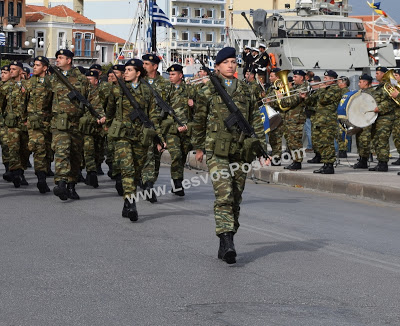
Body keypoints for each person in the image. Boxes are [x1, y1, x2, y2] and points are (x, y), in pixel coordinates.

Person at [192, 47, 267, 264]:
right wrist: (198, 147)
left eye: (234, 62)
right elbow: (199, 120)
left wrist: (261, 148)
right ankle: (226, 242)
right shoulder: (207, 91)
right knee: (224, 195)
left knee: (235, 196)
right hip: (217, 150)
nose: (231, 65)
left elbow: (255, 121)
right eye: (226, 62)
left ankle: (229, 236)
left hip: (240, 151)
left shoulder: (246, 89)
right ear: (217, 66)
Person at [106, 59, 163, 221]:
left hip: (141, 136)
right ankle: (132, 204)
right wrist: (109, 127)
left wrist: (159, 137)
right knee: (128, 169)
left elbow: (153, 116)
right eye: (125, 70)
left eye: (130, 70)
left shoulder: (147, 91)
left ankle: (126, 202)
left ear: (138, 73)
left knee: (137, 171)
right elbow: (109, 110)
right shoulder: (117, 90)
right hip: (123, 136)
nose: (126, 72)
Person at [50, 49, 105, 200]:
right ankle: (61, 183)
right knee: (62, 151)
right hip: (59, 124)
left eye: (60, 58)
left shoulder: (81, 79)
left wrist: (100, 115)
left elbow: (93, 99)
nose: (57, 60)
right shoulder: (53, 78)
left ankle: (71, 185)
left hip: (76, 123)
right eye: (57, 57)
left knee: (74, 155)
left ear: (69, 60)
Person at [140, 53, 171, 202]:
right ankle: (146, 183)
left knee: (154, 157)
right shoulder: (139, 82)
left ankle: (149, 183)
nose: (144, 66)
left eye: (147, 64)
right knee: (145, 155)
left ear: (155, 66)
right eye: (143, 64)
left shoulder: (165, 85)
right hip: (140, 124)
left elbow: (171, 107)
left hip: (158, 125)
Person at [302, 70, 342, 174]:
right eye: (324, 78)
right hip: (318, 119)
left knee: (327, 143)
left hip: (328, 120)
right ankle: (325, 163)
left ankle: (329, 165)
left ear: (332, 79)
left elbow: (324, 99)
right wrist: (305, 97)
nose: (324, 80)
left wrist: (322, 89)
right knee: (320, 143)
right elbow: (312, 101)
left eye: (326, 78)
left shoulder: (335, 89)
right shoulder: (324, 89)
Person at [24, 56, 54, 193]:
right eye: (34, 65)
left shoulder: (52, 82)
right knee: (39, 148)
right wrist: (24, 118)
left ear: (45, 68)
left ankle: (46, 170)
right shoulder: (28, 83)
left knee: (48, 149)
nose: (34, 67)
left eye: (37, 65)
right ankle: (41, 178)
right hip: (34, 122)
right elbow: (21, 102)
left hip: (49, 122)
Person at [165, 64, 194, 196]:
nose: (170, 77)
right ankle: (177, 182)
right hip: (172, 130)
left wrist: (194, 104)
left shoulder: (189, 90)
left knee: (182, 156)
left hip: (186, 129)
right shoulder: (166, 90)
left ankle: (178, 181)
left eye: (173, 74)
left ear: (180, 76)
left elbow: (198, 111)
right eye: (170, 75)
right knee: (176, 155)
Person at [0, 61, 30, 187]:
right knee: (13, 148)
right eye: (10, 69)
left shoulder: (28, 86)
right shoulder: (5, 87)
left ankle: (20, 171)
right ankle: (15, 172)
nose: (11, 71)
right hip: (11, 124)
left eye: (14, 69)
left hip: (25, 124)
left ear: (21, 71)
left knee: (25, 150)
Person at [369, 67, 397, 172]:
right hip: (379, 117)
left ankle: (383, 163)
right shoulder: (380, 86)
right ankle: (380, 162)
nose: (375, 75)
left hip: (386, 117)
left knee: (382, 140)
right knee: (376, 139)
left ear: (383, 74)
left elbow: (391, 101)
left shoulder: (390, 85)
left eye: (377, 73)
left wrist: (379, 108)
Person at [279, 70, 307, 170]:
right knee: (291, 141)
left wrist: (281, 98)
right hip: (291, 119)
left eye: (295, 77)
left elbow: (289, 101)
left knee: (296, 141)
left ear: (301, 78)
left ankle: (297, 162)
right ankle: (295, 161)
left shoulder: (303, 88)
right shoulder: (296, 88)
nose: (293, 79)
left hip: (296, 119)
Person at [353, 74, 374, 169]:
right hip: (360, 120)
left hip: (367, 120)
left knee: (365, 140)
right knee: (359, 139)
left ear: (366, 82)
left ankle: (364, 160)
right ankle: (362, 159)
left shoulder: (372, 93)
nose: (358, 84)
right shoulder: (361, 92)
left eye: (360, 82)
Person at [265, 68, 284, 165]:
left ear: (277, 77)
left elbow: (282, 100)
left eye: (272, 76)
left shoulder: (281, 87)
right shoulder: (271, 87)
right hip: (272, 115)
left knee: (277, 138)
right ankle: (275, 155)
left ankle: (277, 158)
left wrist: (270, 101)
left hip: (278, 115)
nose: (270, 78)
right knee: (272, 138)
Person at [0, 65, 12, 182]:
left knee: (6, 147)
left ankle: (9, 170)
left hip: (5, 123)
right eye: (1, 72)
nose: (2, 75)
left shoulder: (13, 87)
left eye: (5, 72)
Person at [336, 76, 350, 158]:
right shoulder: (342, 91)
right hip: (341, 114)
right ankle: (342, 149)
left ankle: (343, 150)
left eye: (339, 81)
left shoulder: (344, 91)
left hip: (342, 115)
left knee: (342, 133)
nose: (337, 83)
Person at [391, 68, 400, 166]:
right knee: (397, 138)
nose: (394, 78)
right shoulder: (395, 87)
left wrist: (398, 95)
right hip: (396, 117)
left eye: (396, 76)